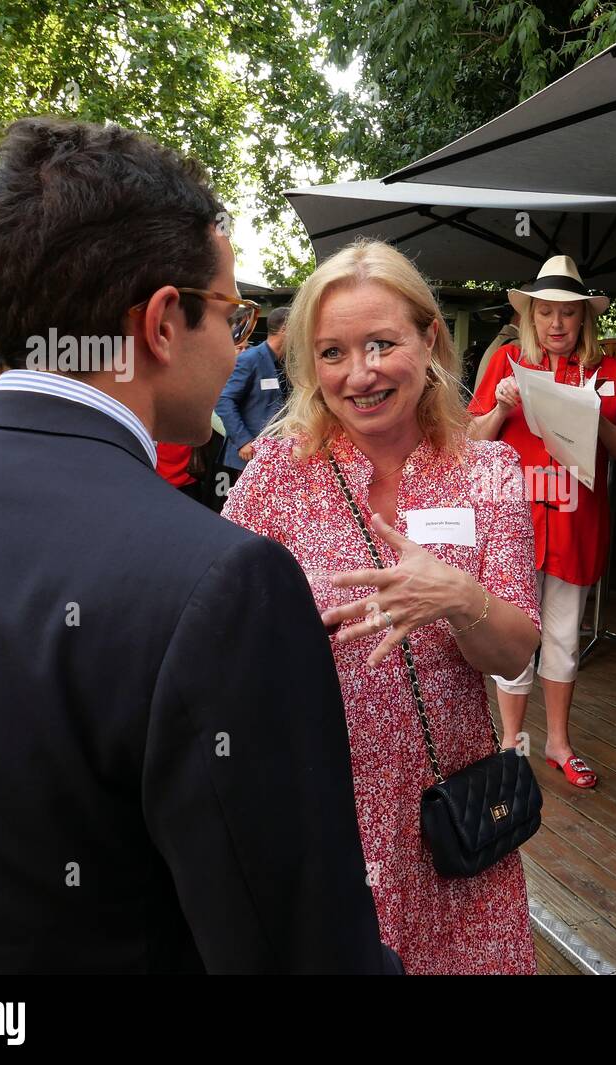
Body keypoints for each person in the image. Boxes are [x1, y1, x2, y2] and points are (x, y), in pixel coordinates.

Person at [0, 117, 392, 974]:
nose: (235, 339)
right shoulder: (222, 582)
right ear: (161, 322)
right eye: (231, 310)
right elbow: (301, 948)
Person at [222, 239, 542, 975]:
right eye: (332, 351)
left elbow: (516, 649)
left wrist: (459, 598)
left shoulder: (489, 471)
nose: (359, 373)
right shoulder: (278, 472)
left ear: (429, 338)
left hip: (448, 819)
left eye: (381, 343)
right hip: (324, 814)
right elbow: (215, 620)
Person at [469, 255, 616, 789]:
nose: (556, 324)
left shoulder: (610, 373)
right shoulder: (505, 361)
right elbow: (471, 444)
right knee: (515, 635)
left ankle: (559, 743)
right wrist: (499, 410)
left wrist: (597, 420)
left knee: (565, 638)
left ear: (583, 318)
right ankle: (510, 744)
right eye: (546, 312)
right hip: (516, 525)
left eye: (567, 313)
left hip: (576, 524)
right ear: (532, 316)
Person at [215, 304, 290, 484]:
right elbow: (224, 400)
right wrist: (243, 441)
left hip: (278, 456)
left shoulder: (287, 361)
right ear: (285, 329)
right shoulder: (249, 359)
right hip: (251, 456)